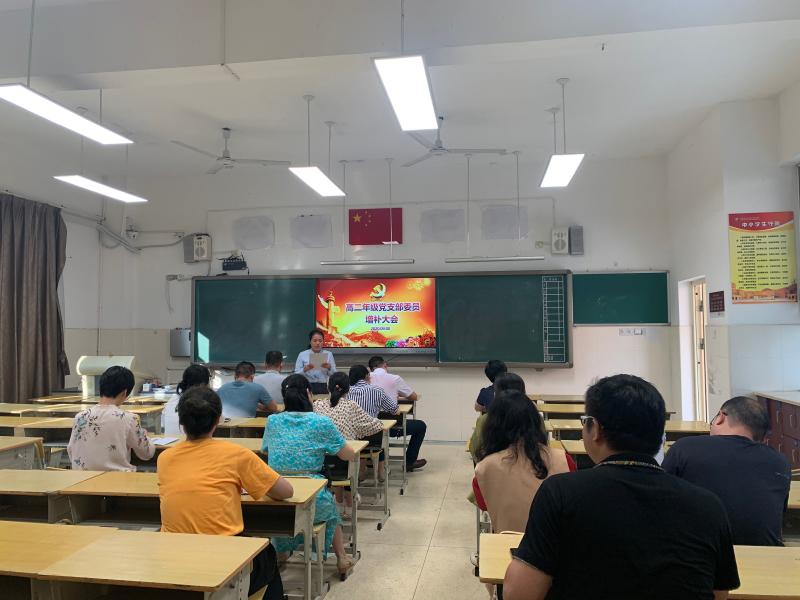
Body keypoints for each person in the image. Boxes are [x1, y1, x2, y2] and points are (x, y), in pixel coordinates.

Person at [503, 374, 740, 600]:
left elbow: (520, 595)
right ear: (660, 434)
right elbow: (718, 594)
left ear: (595, 429)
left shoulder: (560, 493)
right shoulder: (709, 506)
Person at [158, 386, 293, 599]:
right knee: (267, 554)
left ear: (182, 422)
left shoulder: (164, 458)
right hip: (223, 556)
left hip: (174, 554)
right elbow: (286, 491)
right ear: (218, 419)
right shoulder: (236, 454)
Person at [262, 374, 356, 578]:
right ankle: (342, 557)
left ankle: (281, 553)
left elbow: (266, 450)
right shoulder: (321, 422)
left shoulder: (272, 420)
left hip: (275, 496)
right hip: (312, 501)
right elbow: (347, 454)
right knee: (331, 508)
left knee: (286, 516)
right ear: (308, 393)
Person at [663, 396, 791, 546]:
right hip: (763, 555)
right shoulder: (780, 462)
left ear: (720, 417)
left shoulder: (685, 447)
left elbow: (660, 497)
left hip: (697, 553)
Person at [473, 389, 575, 534]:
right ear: (536, 423)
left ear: (492, 427)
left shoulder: (484, 467)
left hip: (506, 544)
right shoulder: (564, 460)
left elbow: (484, 504)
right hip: (555, 544)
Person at [315, 372, 384, 518]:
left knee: (334, 459)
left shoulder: (317, 405)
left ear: (328, 387)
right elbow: (373, 426)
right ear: (348, 389)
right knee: (348, 456)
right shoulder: (351, 406)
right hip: (344, 462)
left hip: (320, 463)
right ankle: (349, 504)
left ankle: (339, 503)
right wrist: (378, 422)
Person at [67, 366, 155, 471]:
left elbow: (71, 450)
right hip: (117, 479)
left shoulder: (80, 417)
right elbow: (147, 453)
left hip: (82, 478)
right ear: (124, 393)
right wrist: (145, 436)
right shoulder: (129, 419)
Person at [349, 364, 427, 472]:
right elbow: (398, 407)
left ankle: (368, 463)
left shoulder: (345, 392)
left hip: (352, 434)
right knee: (421, 426)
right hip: (379, 431)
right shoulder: (382, 387)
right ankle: (409, 462)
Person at [470, 372, 526, 463]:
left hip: (494, 467)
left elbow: (475, 449)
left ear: (496, 394)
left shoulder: (485, 419)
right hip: (526, 467)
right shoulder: (534, 417)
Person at [163, 364, 210, 435]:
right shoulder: (203, 400)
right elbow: (219, 420)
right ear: (203, 384)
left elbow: (163, 423)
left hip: (169, 441)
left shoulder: (173, 398)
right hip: (190, 441)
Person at [295, 328, 336, 395]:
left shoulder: (329, 354)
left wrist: (329, 368)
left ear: (323, 342)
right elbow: (296, 374)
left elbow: (334, 374)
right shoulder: (302, 354)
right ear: (310, 342)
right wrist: (304, 370)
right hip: (306, 386)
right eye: (315, 341)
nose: (317, 343)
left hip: (322, 386)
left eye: (320, 341)